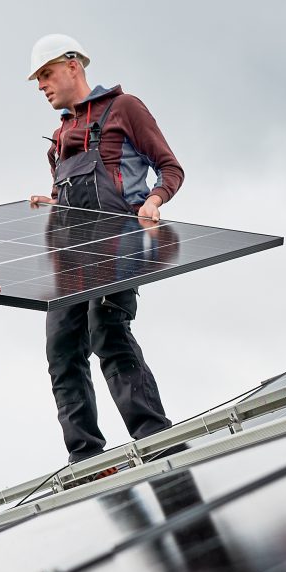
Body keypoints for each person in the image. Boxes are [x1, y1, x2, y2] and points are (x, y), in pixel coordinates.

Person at [24, 34, 185, 461]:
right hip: (69, 257)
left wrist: (154, 200)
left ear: (73, 65)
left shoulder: (124, 108)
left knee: (107, 332)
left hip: (118, 249)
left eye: (46, 73)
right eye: (37, 78)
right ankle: (86, 459)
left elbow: (169, 167)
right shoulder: (60, 136)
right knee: (61, 353)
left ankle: (155, 440)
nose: (41, 85)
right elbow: (77, 197)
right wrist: (52, 202)